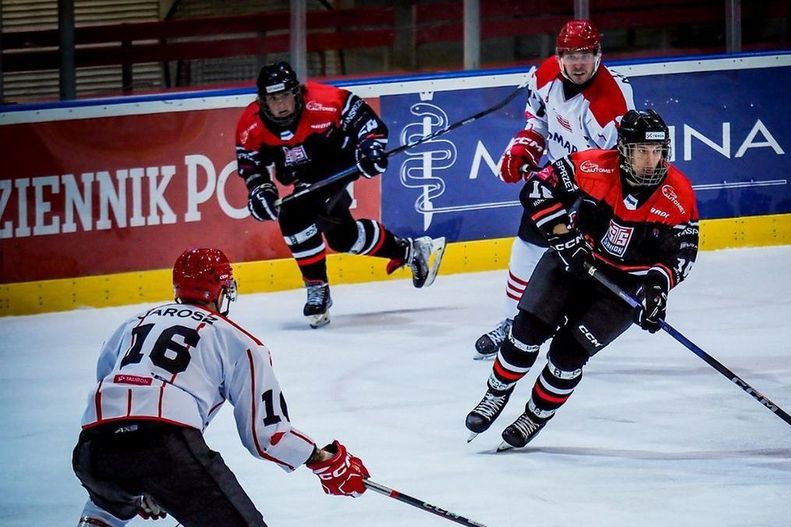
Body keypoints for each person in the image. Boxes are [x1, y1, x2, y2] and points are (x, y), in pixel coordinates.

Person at [73, 248, 370, 526]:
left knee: (106, 508)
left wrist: (145, 479)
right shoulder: (238, 341)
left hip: (94, 448)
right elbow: (266, 436)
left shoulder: (133, 324)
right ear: (221, 290)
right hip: (165, 447)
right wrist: (321, 459)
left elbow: (109, 384)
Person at [465, 109, 699, 450]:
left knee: (568, 355)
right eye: (642, 151)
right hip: (573, 262)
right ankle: (495, 395)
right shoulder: (592, 166)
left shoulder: (679, 194)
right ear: (623, 150)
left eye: (658, 151)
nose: (652, 160)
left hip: (622, 287)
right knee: (526, 331)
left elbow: (683, 254)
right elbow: (535, 190)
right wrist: (564, 237)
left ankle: (535, 415)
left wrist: (656, 291)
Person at [236, 61, 446, 328]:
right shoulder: (250, 125)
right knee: (342, 237)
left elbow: (370, 124)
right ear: (263, 102)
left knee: (292, 215)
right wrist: (259, 190)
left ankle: (317, 289)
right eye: (273, 98)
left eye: (286, 95)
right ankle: (410, 251)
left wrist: (371, 150)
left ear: (297, 93)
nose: (281, 104)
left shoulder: (326, 100)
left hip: (337, 162)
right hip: (303, 174)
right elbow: (250, 166)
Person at [474, 19, 634, 358]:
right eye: (570, 55)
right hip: (562, 174)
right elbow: (537, 117)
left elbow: (622, 168)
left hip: (598, 186)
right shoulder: (547, 74)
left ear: (598, 55)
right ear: (559, 56)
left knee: (576, 260)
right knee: (528, 239)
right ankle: (510, 322)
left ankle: (571, 326)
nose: (578, 63)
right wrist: (528, 143)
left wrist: (594, 209)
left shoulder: (610, 104)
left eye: (586, 55)